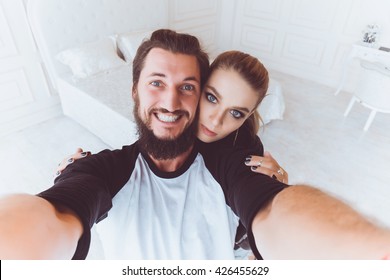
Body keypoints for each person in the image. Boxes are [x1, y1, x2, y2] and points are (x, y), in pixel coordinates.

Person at [0, 29, 389, 260]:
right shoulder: (102, 171)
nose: (171, 103)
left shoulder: (234, 157)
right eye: (156, 83)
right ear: (134, 90)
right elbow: (53, 215)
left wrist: (367, 251)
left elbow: (272, 208)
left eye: (187, 87)